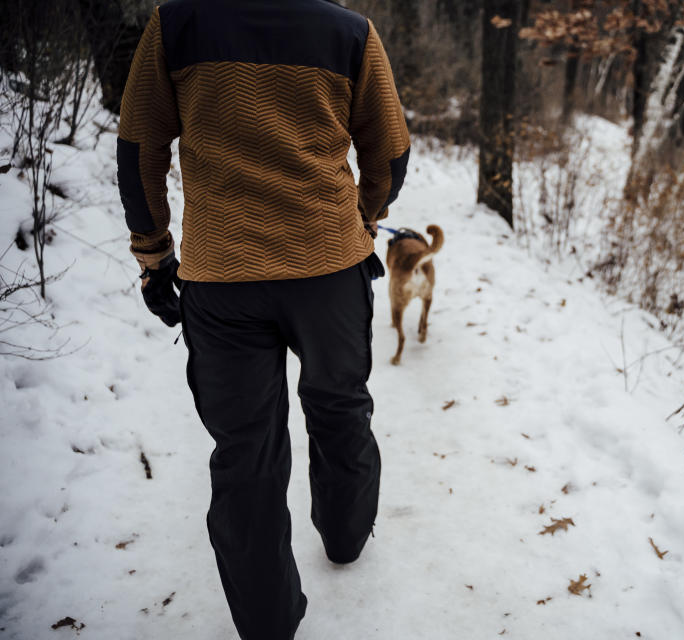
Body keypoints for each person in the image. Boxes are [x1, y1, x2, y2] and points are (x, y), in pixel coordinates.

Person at [116, 0, 410, 638]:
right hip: (329, 268)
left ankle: (268, 623)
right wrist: (363, 219)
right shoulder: (349, 32)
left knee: (246, 452)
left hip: (223, 276)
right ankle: (345, 539)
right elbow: (388, 151)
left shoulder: (178, 25)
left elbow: (140, 148)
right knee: (339, 407)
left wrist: (154, 255)